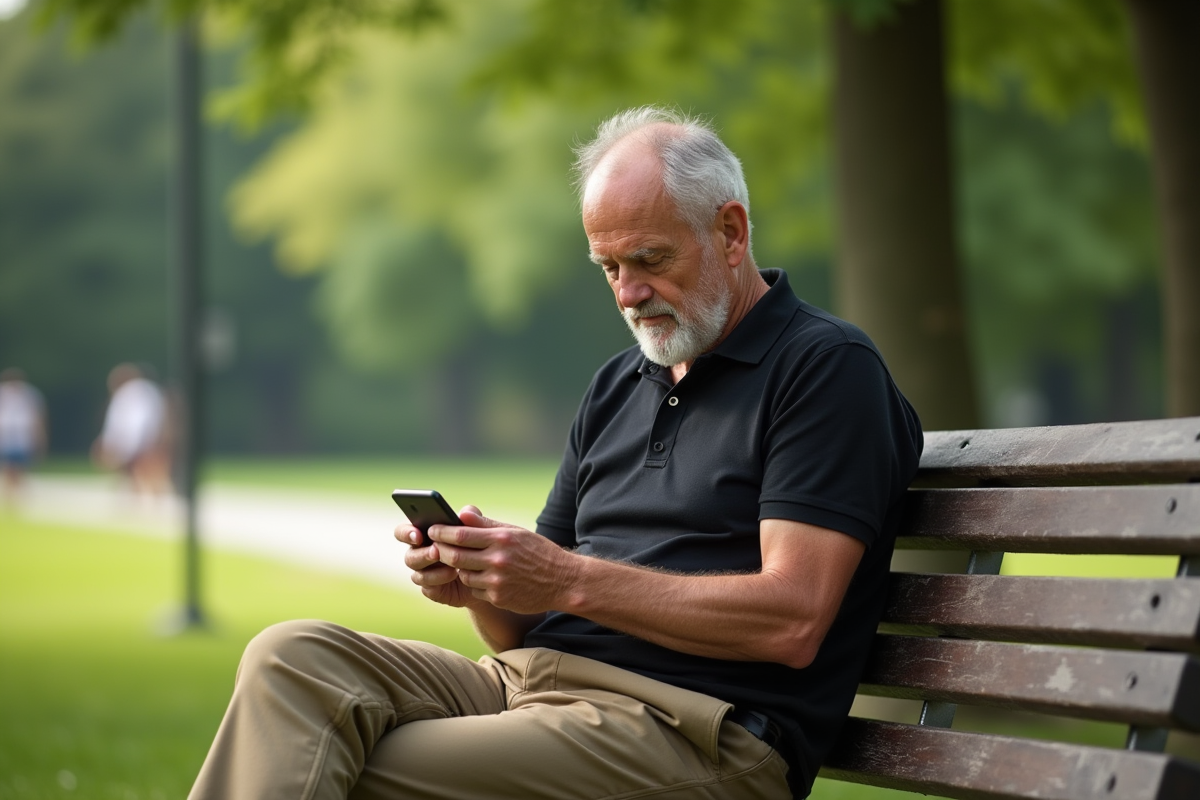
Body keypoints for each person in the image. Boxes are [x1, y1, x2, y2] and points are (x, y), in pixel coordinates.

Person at [188, 106, 923, 800]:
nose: (629, 294)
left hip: (694, 729)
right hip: (529, 682)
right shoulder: (619, 384)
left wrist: (567, 579)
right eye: (608, 268)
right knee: (290, 660)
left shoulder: (824, 368)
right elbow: (526, 622)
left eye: (649, 259)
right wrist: (481, 582)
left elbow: (792, 621)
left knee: (357, 766)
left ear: (731, 232)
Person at [91, 362, 171, 497]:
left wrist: (120, 443)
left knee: (140, 470)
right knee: (145, 473)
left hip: (137, 440)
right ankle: (149, 497)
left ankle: (142, 497)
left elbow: (129, 422)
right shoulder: (149, 390)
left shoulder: (129, 394)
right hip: (149, 437)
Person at [0, 368, 47, 501]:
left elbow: (36, 417)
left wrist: (39, 436)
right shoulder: (3, 393)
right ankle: (9, 496)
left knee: (20, 467)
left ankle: (18, 495)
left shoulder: (29, 394)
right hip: (5, 435)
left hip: (22, 435)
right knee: (8, 466)